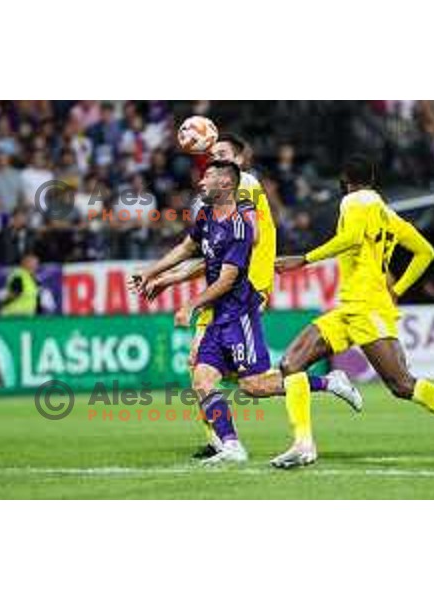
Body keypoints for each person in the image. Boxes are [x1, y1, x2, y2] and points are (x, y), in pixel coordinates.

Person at [131, 134, 360, 460]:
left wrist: (188, 300)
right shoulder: (210, 215)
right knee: (201, 374)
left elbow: (233, 259)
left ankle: (325, 384)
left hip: (241, 298)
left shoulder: (245, 196)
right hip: (221, 300)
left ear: (236, 166)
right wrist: (158, 274)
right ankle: (227, 442)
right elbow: (195, 250)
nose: (206, 169)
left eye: (220, 158)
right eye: (210, 159)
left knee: (252, 385)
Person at [269, 158, 434, 468]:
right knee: (291, 363)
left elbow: (350, 238)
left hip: (366, 308)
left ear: (345, 179)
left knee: (402, 384)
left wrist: (304, 259)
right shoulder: (386, 212)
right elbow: (425, 252)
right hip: (353, 306)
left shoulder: (353, 201)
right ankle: (303, 443)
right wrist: (398, 289)